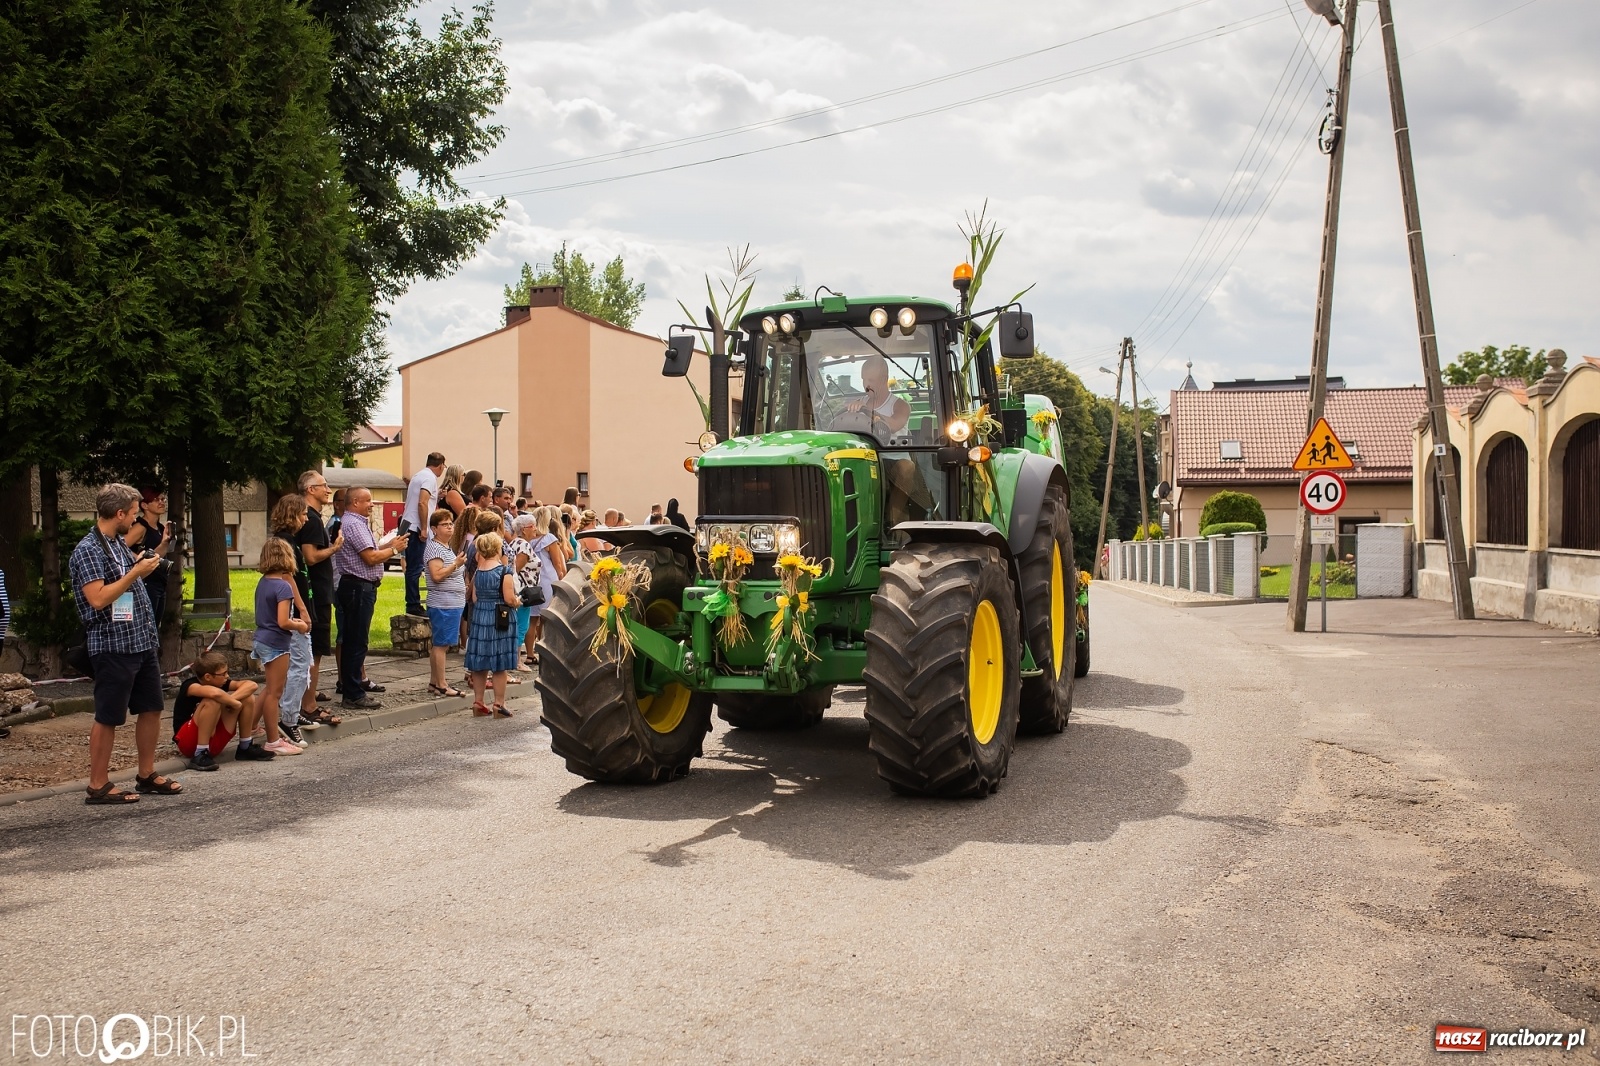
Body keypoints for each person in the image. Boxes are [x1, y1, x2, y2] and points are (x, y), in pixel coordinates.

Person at [71, 484, 179, 804]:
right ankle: (98, 785)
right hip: (113, 645)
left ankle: (146, 774)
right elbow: (98, 598)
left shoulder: (117, 542)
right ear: (119, 514)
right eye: (133, 514)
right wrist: (136, 572)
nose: (135, 520)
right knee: (108, 715)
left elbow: (127, 577)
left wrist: (148, 561)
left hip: (140, 640)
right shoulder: (88, 550)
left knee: (151, 708)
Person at [333, 487, 408, 710]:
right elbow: (370, 557)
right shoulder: (354, 524)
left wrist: (390, 544)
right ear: (355, 502)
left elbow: (373, 549)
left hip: (359, 588)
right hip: (358, 588)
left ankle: (352, 688)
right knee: (356, 641)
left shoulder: (354, 523)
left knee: (353, 640)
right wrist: (394, 550)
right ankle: (353, 693)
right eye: (367, 501)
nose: (372, 504)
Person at [268, 493, 318, 745]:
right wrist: (302, 608)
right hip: (294, 611)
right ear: (292, 515)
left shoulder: (290, 540)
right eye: (302, 514)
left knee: (303, 664)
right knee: (299, 666)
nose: (306, 518)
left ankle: (294, 712)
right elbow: (287, 577)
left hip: (299, 608)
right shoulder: (285, 541)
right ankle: (288, 719)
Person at [253, 537, 309, 757]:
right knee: (275, 693)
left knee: (268, 688)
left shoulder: (263, 582)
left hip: (262, 638)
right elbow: (283, 621)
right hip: (277, 642)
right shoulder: (284, 587)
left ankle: (251, 727)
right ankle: (273, 740)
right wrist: (301, 625)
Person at [295, 470, 343, 711]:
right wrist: (334, 548)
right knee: (315, 649)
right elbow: (311, 556)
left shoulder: (308, 517)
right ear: (310, 489)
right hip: (316, 593)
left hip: (312, 591)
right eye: (323, 485)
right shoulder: (312, 519)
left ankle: (308, 695)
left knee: (311, 649)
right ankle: (309, 704)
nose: (328, 489)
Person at [172, 652, 268, 770]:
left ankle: (245, 746)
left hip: (214, 740)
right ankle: (200, 754)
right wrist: (234, 703)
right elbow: (214, 693)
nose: (227, 676)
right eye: (223, 674)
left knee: (247, 698)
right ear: (208, 677)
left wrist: (232, 700)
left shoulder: (219, 682)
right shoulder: (190, 685)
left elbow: (251, 685)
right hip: (189, 743)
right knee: (212, 701)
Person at [464, 532, 517, 718]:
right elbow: (509, 599)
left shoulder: (478, 572)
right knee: (499, 664)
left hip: (480, 617)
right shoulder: (504, 571)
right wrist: (518, 602)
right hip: (499, 618)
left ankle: (478, 702)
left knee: (480, 663)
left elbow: (474, 597)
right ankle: (498, 705)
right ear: (497, 548)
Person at [423, 509, 467, 698]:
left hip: (451, 602)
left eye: (451, 523)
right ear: (434, 528)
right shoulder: (434, 548)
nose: (450, 527)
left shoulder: (445, 547)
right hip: (444, 603)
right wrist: (456, 564)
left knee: (441, 644)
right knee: (442, 645)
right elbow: (437, 575)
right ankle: (442, 684)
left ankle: (435, 682)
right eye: (445, 524)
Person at [123, 487, 173, 631]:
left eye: (163, 499)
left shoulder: (159, 527)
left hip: (159, 582)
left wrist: (164, 543)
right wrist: (138, 558)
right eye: (156, 500)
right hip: (146, 583)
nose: (161, 502)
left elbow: (157, 555)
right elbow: (120, 546)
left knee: (154, 628)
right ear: (144, 505)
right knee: (146, 628)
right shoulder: (140, 526)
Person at [404, 451, 446, 616]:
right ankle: (413, 604)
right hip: (416, 527)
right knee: (415, 568)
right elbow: (422, 502)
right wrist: (423, 528)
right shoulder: (429, 478)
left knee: (413, 567)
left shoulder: (418, 475)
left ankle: (412, 602)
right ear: (441, 465)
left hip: (408, 523)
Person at [525, 506, 567, 655]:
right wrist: (561, 577)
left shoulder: (528, 539)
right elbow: (558, 563)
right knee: (546, 618)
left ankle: (529, 653)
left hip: (531, 580)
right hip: (548, 580)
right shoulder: (549, 539)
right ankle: (543, 649)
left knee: (531, 619)